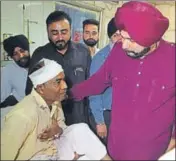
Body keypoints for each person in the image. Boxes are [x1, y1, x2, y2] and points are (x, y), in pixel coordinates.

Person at [69, 1, 175, 160]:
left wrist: (174, 139)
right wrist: (68, 93)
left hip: (155, 152)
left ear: (150, 40)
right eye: (121, 37)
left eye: (130, 40)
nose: (123, 45)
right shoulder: (118, 51)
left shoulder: (172, 58)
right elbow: (97, 82)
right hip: (116, 149)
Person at [1, 58, 111, 160]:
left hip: (54, 148)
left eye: (63, 80)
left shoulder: (54, 100)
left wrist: (57, 130)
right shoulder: (22, 116)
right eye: (58, 82)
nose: (65, 86)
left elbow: (61, 127)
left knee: (80, 130)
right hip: (37, 156)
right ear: (41, 88)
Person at [25, 11, 91, 125]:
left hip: (78, 116)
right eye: (54, 33)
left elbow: (91, 84)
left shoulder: (83, 52)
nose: (60, 37)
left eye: (64, 32)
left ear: (70, 30)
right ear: (48, 33)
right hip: (51, 118)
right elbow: (31, 90)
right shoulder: (40, 55)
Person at [89, 17, 121, 145]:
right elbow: (94, 92)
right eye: (115, 35)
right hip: (106, 115)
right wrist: (100, 122)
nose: (119, 39)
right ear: (110, 37)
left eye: (122, 35)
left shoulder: (130, 55)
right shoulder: (100, 59)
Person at [1, 35, 30, 107]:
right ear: (12, 57)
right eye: (15, 54)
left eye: (22, 51)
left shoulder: (40, 62)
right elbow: (2, 95)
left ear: (28, 49)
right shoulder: (9, 70)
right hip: (26, 111)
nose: (20, 55)